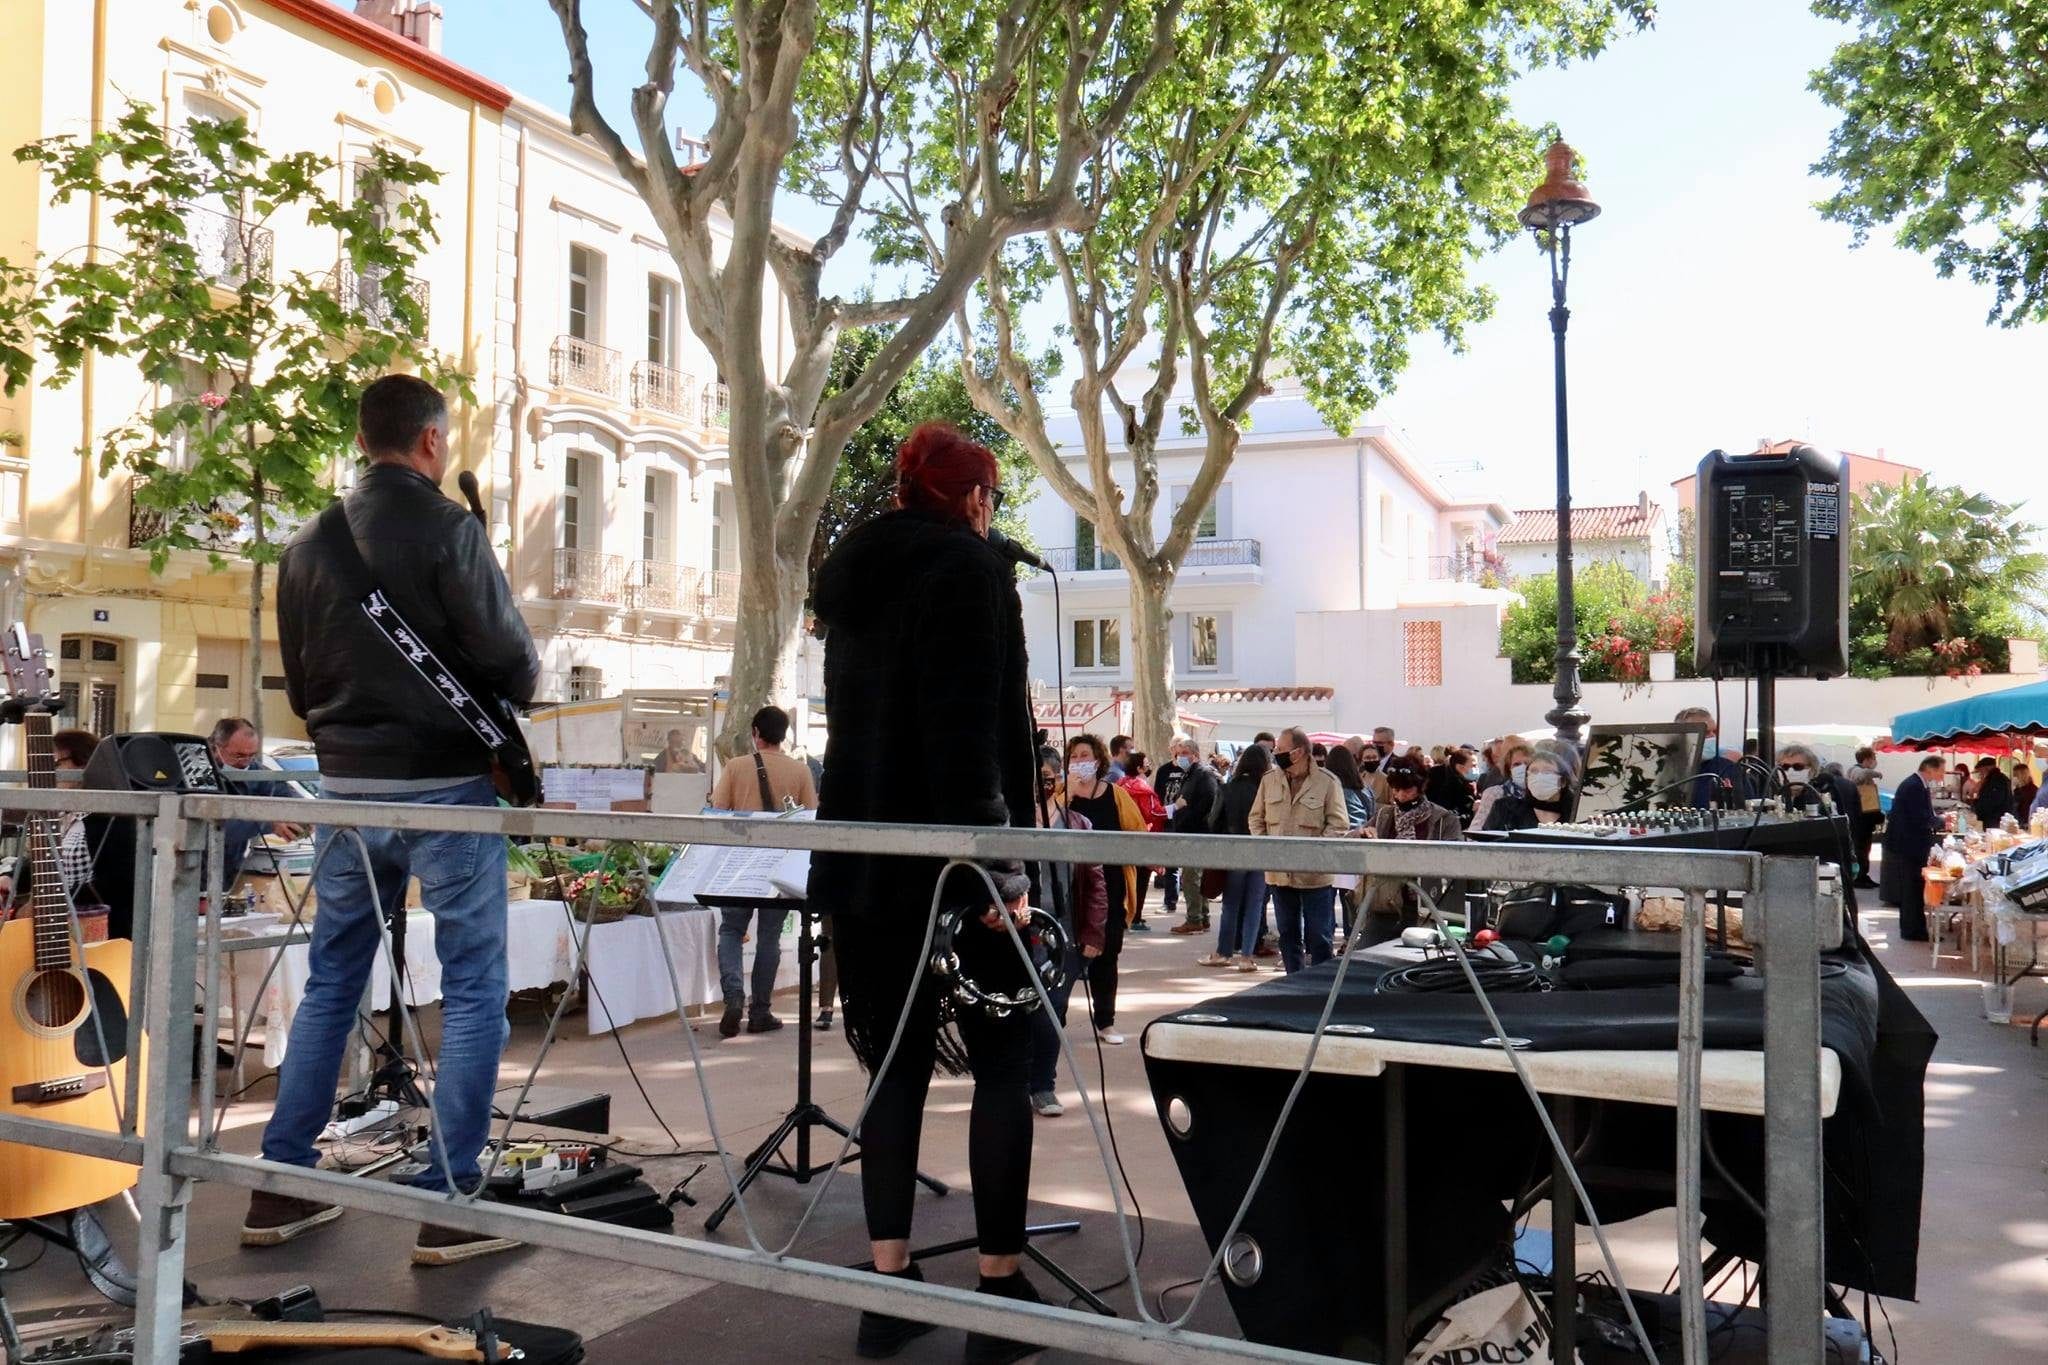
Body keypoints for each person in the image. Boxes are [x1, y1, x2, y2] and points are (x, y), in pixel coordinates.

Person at [245, 374, 539, 1265]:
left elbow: (299, 690)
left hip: (343, 788)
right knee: (477, 980)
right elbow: (514, 670)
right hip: (446, 785)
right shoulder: (450, 528)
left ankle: (279, 1186)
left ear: (364, 438)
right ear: (431, 442)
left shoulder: (305, 545)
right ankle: (451, 1198)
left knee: (335, 976)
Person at [806, 421, 1049, 1360]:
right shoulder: (968, 571)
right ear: (974, 498)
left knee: (894, 1068)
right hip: (955, 866)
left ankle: (890, 1284)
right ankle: (998, 1291)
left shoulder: (856, 578)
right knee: (1003, 1064)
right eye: (990, 495)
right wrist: (1005, 869)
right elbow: (962, 736)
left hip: (868, 864)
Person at [707, 705, 820, 1037]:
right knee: (769, 937)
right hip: (778, 867)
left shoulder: (735, 766)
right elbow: (810, 818)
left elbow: (717, 813)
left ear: (755, 733)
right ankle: (760, 1012)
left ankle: (733, 999)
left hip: (738, 864)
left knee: (730, 931)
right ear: (784, 736)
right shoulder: (801, 771)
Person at [1027, 747, 1107, 1118]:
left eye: (1046, 777)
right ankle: (1012, 1082)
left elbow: (1095, 885)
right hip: (1020, 932)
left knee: (1052, 1011)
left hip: (1065, 933)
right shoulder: (1009, 823)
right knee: (1019, 1009)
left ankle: (1042, 1084)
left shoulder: (1078, 824)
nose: (1040, 784)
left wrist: (1093, 932)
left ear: (1057, 778)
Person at [1062, 733, 1148, 1045]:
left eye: (1084, 756)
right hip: (1070, 890)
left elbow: (1137, 834)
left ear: (1098, 760)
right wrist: (1067, 795)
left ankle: (1105, 1021)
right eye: (1073, 757)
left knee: (1106, 955)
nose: (1078, 762)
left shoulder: (1117, 795)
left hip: (1109, 889)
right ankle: (1054, 1019)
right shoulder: (1060, 796)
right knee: (1064, 955)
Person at [1249, 727, 1350, 973]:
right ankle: (1293, 984)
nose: (1275, 754)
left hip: (1315, 876)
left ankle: (1320, 990)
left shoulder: (1327, 782)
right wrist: (1268, 849)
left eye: (1280, 750)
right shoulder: (1269, 780)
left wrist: (1313, 854)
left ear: (1298, 752)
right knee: (1288, 935)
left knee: (1320, 937)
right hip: (1279, 875)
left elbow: (1338, 824)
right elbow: (1256, 819)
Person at [1360, 753, 1463, 944]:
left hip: (1428, 910)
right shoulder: (1384, 815)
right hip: (1386, 907)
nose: (1400, 796)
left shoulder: (1444, 820)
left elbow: (1454, 862)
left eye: (1407, 790)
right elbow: (1355, 837)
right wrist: (1364, 834)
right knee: (1362, 958)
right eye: (1395, 790)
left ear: (1421, 787)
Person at [208, 717, 307, 891]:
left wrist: (302, 818)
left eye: (251, 755)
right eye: (238, 755)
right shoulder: (200, 773)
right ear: (216, 747)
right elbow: (216, 825)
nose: (245, 761)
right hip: (194, 866)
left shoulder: (255, 771)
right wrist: (270, 823)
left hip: (230, 866)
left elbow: (287, 794)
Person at [1198, 743, 1270, 971]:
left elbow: (1212, 820)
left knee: (1231, 904)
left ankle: (1223, 952)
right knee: (1255, 905)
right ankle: (1247, 956)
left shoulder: (1228, 787)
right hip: (1261, 850)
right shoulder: (1267, 789)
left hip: (1234, 849)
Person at [1880, 755, 1947, 942]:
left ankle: (1915, 928)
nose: (1942, 775)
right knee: (1911, 889)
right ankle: (1912, 930)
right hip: (1908, 845)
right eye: (1941, 770)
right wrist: (1941, 821)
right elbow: (1920, 817)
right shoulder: (1914, 786)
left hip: (1909, 844)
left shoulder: (1917, 784)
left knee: (1914, 889)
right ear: (1930, 769)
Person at [1164, 736, 1221, 936]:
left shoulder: (1202, 775)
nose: (1180, 757)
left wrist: (1183, 814)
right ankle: (1201, 917)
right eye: (1178, 753)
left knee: (1191, 877)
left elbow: (1204, 805)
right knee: (1195, 877)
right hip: (1192, 832)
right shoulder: (1192, 774)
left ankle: (1194, 919)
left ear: (1195, 755)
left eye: (1185, 753)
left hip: (1196, 833)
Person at [1478, 743, 1578, 832]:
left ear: (1563, 781)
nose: (1539, 777)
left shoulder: (1576, 816)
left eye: (1547, 771)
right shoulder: (1506, 809)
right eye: (1533, 771)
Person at [1675, 706, 1748, 809]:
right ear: (1681, 736)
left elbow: (1750, 808)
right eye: (1706, 732)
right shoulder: (1668, 770)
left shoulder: (1727, 768)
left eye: (1714, 732)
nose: (1713, 737)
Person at [1846, 746, 1886, 889]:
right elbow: (1860, 775)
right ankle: (1859, 876)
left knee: (1866, 848)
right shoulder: (1855, 770)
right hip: (1860, 818)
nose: (1875, 762)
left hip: (1867, 817)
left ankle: (1864, 874)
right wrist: (1876, 773)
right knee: (1860, 848)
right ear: (1867, 760)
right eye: (1873, 759)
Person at [1470, 741, 1532, 830]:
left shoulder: (1541, 796)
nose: (1523, 768)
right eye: (1516, 764)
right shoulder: (1495, 793)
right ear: (1509, 769)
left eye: (1527, 764)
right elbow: (1476, 829)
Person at [1425, 747, 1477, 827]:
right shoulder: (1451, 785)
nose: (1476, 769)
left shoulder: (1466, 782)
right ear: (1460, 767)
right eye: (1473, 766)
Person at [1970, 756, 2013, 828]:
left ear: (1986, 768)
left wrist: (1978, 806)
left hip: (1995, 819)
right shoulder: (1996, 779)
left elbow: (1993, 800)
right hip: (1995, 817)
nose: (1980, 773)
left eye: (1981, 770)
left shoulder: (1996, 780)